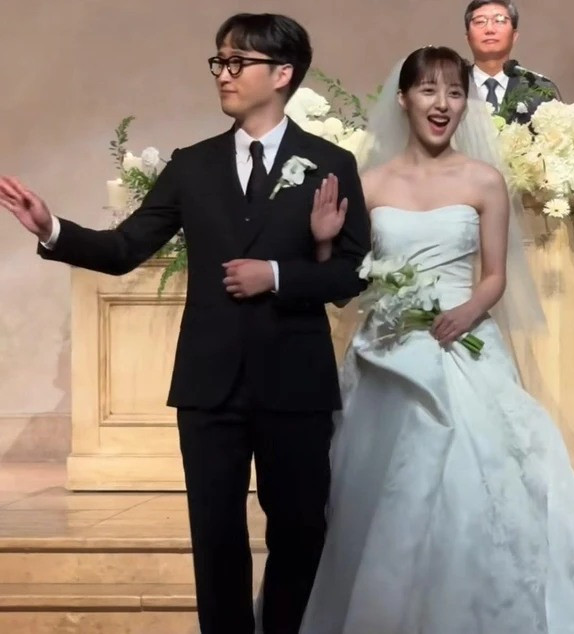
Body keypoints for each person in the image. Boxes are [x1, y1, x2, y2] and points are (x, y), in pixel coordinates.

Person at [0, 12, 370, 634]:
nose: (223, 74)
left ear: (283, 73)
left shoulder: (329, 162)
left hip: (294, 380)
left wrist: (278, 274)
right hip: (209, 383)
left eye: (238, 62)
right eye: (219, 61)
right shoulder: (192, 164)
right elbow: (125, 249)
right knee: (215, 536)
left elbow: (353, 274)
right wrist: (52, 229)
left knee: (302, 529)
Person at [298, 46, 574, 633]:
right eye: (429, 90)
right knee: (380, 497)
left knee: (478, 482)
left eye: (455, 92)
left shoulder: (484, 180)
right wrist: (321, 242)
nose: (442, 104)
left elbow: (494, 275)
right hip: (386, 352)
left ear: (467, 103)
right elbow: (343, 286)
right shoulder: (371, 184)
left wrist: (467, 310)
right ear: (403, 99)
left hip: (460, 345)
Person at [465, 0, 561, 124]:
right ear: (468, 37)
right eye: (479, 22)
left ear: (514, 36)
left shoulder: (538, 88)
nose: (489, 29)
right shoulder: (452, 86)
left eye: (499, 20)